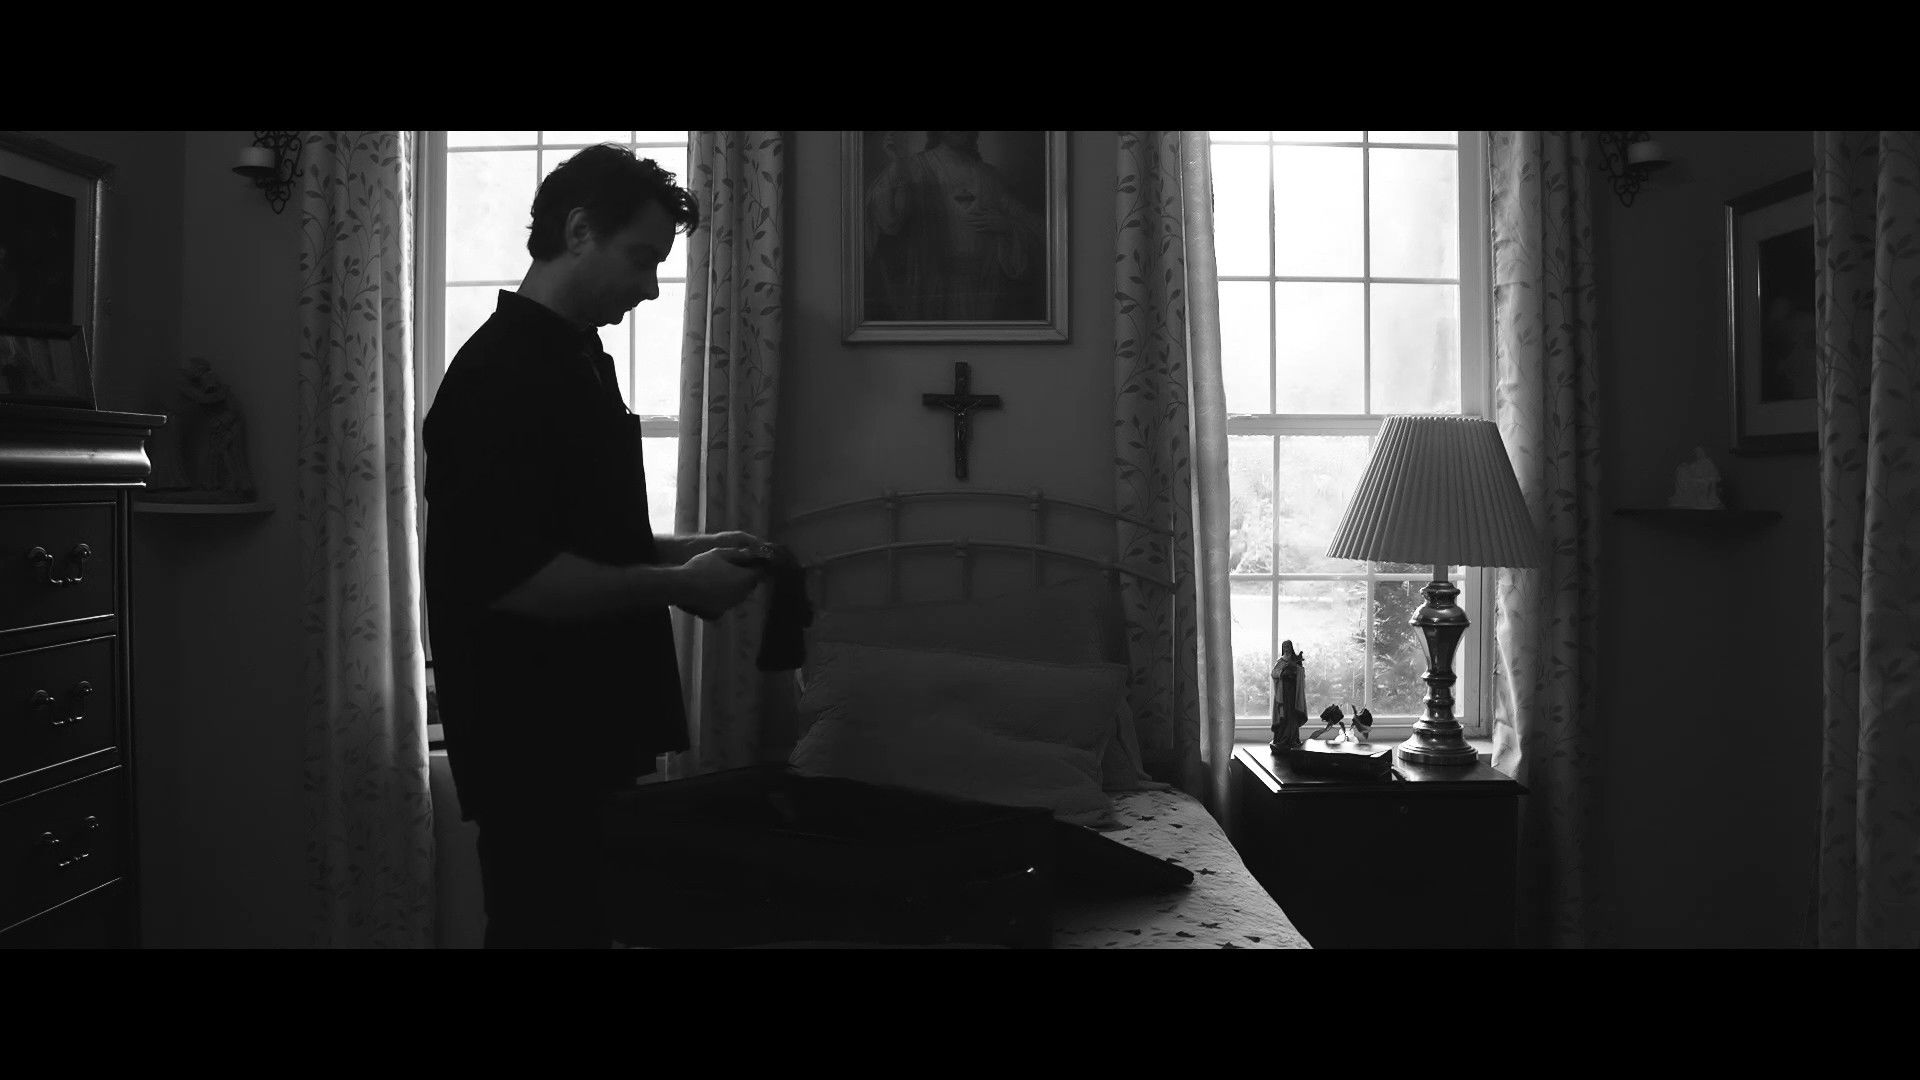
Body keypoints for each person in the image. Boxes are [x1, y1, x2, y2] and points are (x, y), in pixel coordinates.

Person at [423, 144, 764, 949]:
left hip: (588, 722)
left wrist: (691, 548)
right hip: (532, 736)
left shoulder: (577, 356)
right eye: (642, 259)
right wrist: (681, 586)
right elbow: (518, 579)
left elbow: (585, 537)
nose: (651, 287)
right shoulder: (496, 377)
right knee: (545, 929)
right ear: (579, 231)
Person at [863, 130, 1045, 321]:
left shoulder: (988, 175)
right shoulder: (914, 167)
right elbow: (887, 219)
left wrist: (1008, 227)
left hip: (984, 290)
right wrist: (896, 165)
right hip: (933, 291)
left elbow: (1034, 226)